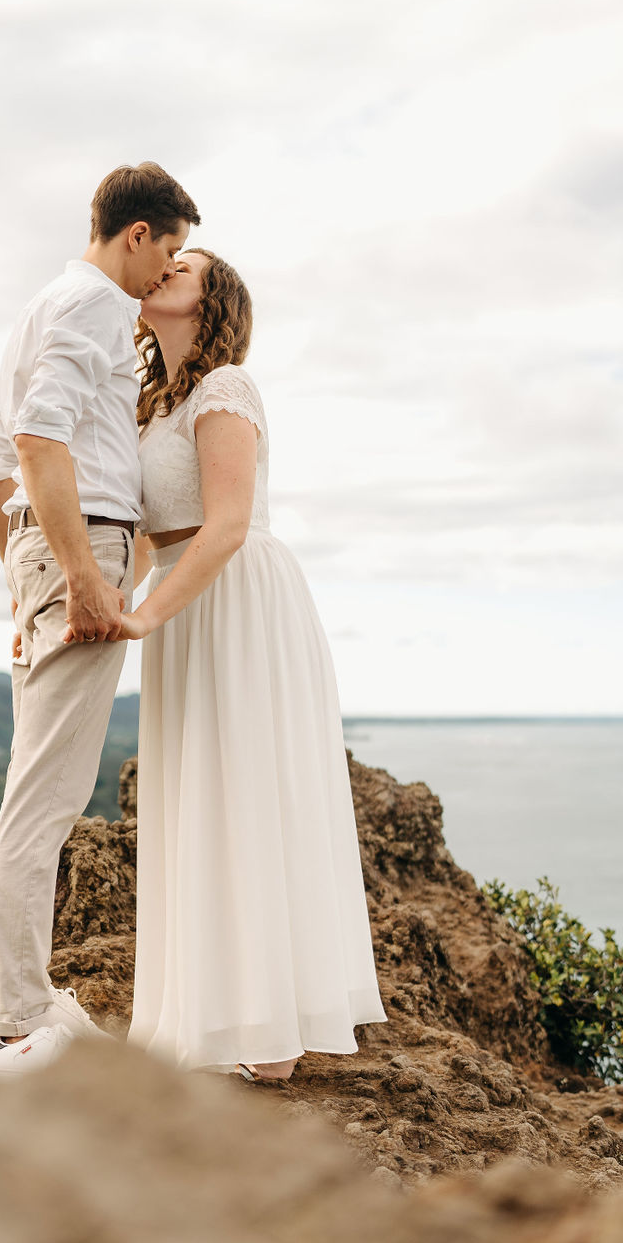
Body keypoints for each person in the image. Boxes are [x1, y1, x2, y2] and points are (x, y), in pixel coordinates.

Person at [121, 249, 387, 1080]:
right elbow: (139, 538)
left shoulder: (226, 386)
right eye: (165, 255)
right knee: (198, 798)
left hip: (233, 598)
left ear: (216, 297)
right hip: (178, 601)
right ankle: (213, 1013)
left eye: (188, 263)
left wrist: (143, 617)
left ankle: (267, 1032)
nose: (167, 265)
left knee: (246, 792)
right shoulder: (147, 402)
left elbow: (227, 523)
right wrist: (87, 609)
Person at [0, 162, 200, 1078]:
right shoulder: (100, 304)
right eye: (171, 249)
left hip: (47, 556)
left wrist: (23, 581)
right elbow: (35, 441)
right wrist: (79, 580)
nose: (167, 271)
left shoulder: (43, 307)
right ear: (137, 233)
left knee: (39, 786)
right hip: (81, 552)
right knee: (47, 799)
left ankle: (27, 999)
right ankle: (16, 1022)